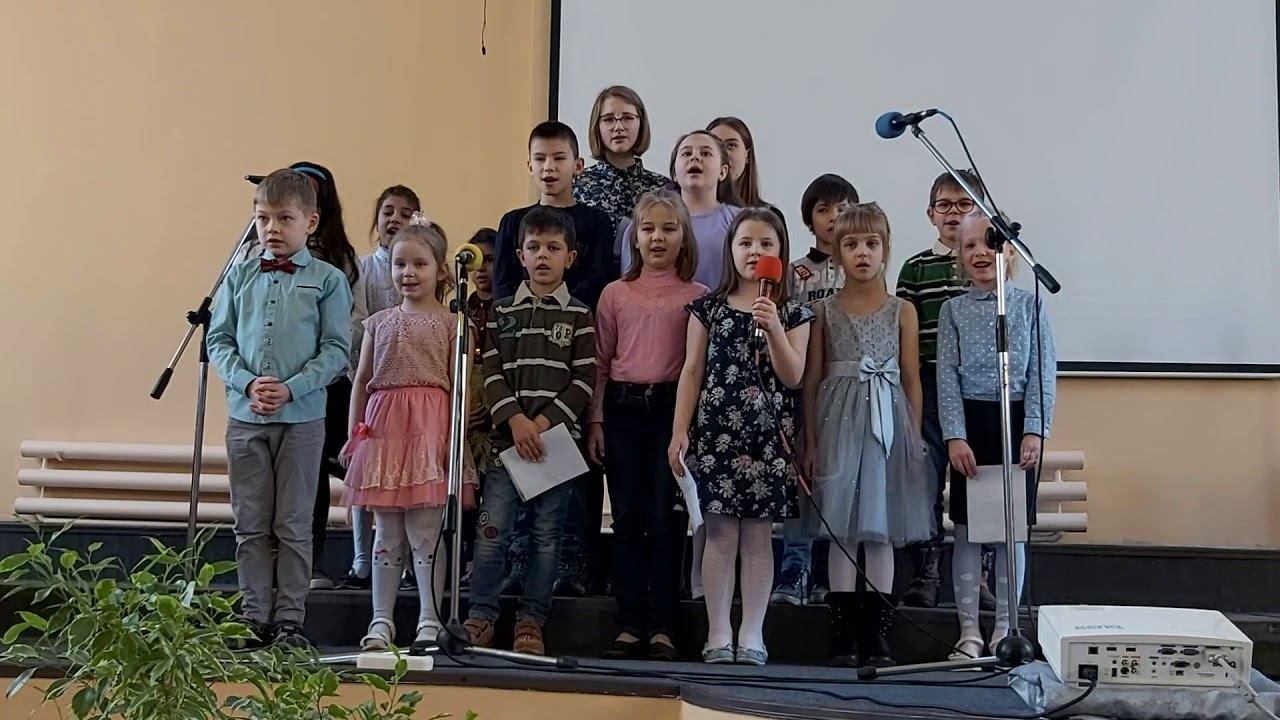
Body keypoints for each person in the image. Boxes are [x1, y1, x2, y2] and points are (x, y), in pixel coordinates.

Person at [208, 168, 353, 649]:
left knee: (292, 523)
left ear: (310, 222)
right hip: (245, 416)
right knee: (250, 522)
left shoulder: (329, 280)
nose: (272, 228)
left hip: (303, 419)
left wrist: (291, 389)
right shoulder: (238, 275)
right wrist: (248, 382)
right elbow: (219, 340)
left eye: (284, 218)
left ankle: (290, 618)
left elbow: (336, 350)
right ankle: (253, 615)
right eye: (263, 217)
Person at [669, 208, 813, 666]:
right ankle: (717, 632)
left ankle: (752, 632)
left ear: (781, 251)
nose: (755, 251)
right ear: (730, 250)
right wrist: (679, 430)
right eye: (746, 242)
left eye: (766, 243)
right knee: (719, 534)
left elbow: (793, 376)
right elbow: (692, 371)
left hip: (768, 439)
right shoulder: (709, 308)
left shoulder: (793, 313)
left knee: (756, 537)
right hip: (716, 434)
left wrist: (773, 329)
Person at [801, 203, 932, 668]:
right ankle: (843, 634)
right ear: (837, 252)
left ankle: (877, 635)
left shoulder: (903, 311)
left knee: (880, 530)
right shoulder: (823, 311)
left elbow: (911, 377)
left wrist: (913, 435)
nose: (862, 253)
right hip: (837, 424)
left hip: (886, 427)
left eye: (871, 244)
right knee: (842, 531)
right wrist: (809, 441)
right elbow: (812, 378)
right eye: (851, 244)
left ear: (885, 250)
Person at [464, 207, 597, 656]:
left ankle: (531, 621)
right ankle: (481, 615)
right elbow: (492, 372)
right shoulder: (502, 311)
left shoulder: (579, 314)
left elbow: (584, 380)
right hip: (507, 444)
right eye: (534, 247)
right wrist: (516, 421)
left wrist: (541, 424)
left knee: (546, 538)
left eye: (553, 248)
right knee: (492, 534)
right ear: (520, 255)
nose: (543, 256)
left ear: (569, 257)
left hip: (554, 446)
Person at [341, 219, 477, 651]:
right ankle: (381, 620)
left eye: (420, 263)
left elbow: (461, 390)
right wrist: (354, 435)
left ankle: (429, 619)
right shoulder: (378, 323)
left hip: (429, 434)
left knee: (425, 533)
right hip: (384, 435)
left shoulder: (455, 325)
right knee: (386, 534)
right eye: (400, 264)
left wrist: (453, 444)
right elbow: (362, 382)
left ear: (441, 270)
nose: (408, 272)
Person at [587, 190, 708, 661]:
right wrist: (596, 419)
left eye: (669, 229)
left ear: (684, 238)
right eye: (648, 229)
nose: (658, 237)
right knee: (627, 520)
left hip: (670, 412)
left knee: (665, 521)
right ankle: (629, 623)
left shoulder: (698, 297)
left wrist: (687, 428)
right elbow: (601, 362)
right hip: (622, 410)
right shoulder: (615, 294)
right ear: (634, 238)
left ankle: (663, 626)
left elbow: (697, 371)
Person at [937, 211, 1056, 659]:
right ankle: (968, 631)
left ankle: (1006, 628)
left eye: (988, 243)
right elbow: (946, 376)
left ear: (1009, 250)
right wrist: (955, 435)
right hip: (973, 423)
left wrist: (1035, 429)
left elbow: (1042, 371)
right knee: (968, 531)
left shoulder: (1029, 306)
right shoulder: (953, 310)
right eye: (968, 246)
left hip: (1017, 420)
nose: (979, 253)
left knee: (1011, 531)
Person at [895, 170, 1002, 611]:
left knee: (980, 482)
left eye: (965, 204)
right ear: (930, 213)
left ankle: (980, 578)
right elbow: (903, 338)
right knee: (925, 481)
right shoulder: (916, 268)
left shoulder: (987, 263)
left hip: (980, 393)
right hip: (928, 388)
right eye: (945, 204)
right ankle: (927, 572)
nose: (954, 213)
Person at [773, 172, 861, 606]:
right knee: (801, 478)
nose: (833, 218)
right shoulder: (796, 273)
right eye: (823, 210)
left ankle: (830, 570)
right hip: (802, 389)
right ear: (809, 219)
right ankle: (795, 567)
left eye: (842, 209)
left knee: (841, 481)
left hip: (848, 393)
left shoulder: (861, 268)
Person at [337, 183, 422, 591]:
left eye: (405, 213)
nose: (395, 219)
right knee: (367, 472)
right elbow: (356, 322)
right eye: (388, 211)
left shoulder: (424, 268)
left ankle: (404, 563)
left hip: (411, 392)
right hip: (371, 384)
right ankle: (361, 560)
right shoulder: (363, 268)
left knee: (404, 476)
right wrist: (363, 373)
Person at [620, 130, 742, 289]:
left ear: (723, 171)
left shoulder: (739, 222)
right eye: (686, 153)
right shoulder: (643, 224)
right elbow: (629, 286)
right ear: (674, 174)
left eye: (706, 153)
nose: (695, 157)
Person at [574, 85, 671, 232]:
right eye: (609, 119)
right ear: (597, 125)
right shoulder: (578, 185)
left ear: (641, 123)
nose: (618, 127)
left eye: (627, 118)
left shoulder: (662, 188)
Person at [461, 228, 498, 583]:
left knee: (493, 491)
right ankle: (466, 556)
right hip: (466, 410)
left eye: (491, 260)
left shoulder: (507, 308)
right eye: (477, 261)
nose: (483, 269)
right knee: (467, 490)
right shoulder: (461, 309)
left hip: (497, 413)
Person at [706, 116, 783, 224]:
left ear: (747, 155)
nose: (723, 154)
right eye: (716, 146)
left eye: (731, 146)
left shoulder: (770, 216)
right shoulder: (686, 214)